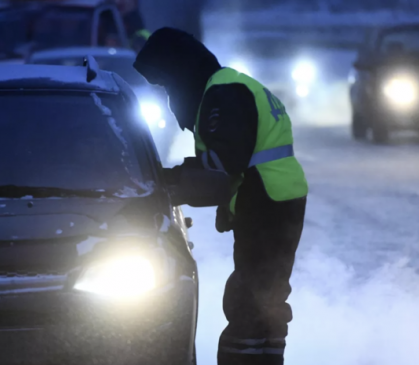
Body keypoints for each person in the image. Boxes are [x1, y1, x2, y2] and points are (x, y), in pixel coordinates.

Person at [133, 28, 308, 365]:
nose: (169, 94)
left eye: (167, 83)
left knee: (247, 301)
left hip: (266, 201)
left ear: (180, 70)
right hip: (276, 199)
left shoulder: (223, 93)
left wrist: (165, 182)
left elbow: (221, 163)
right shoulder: (229, 85)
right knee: (266, 302)